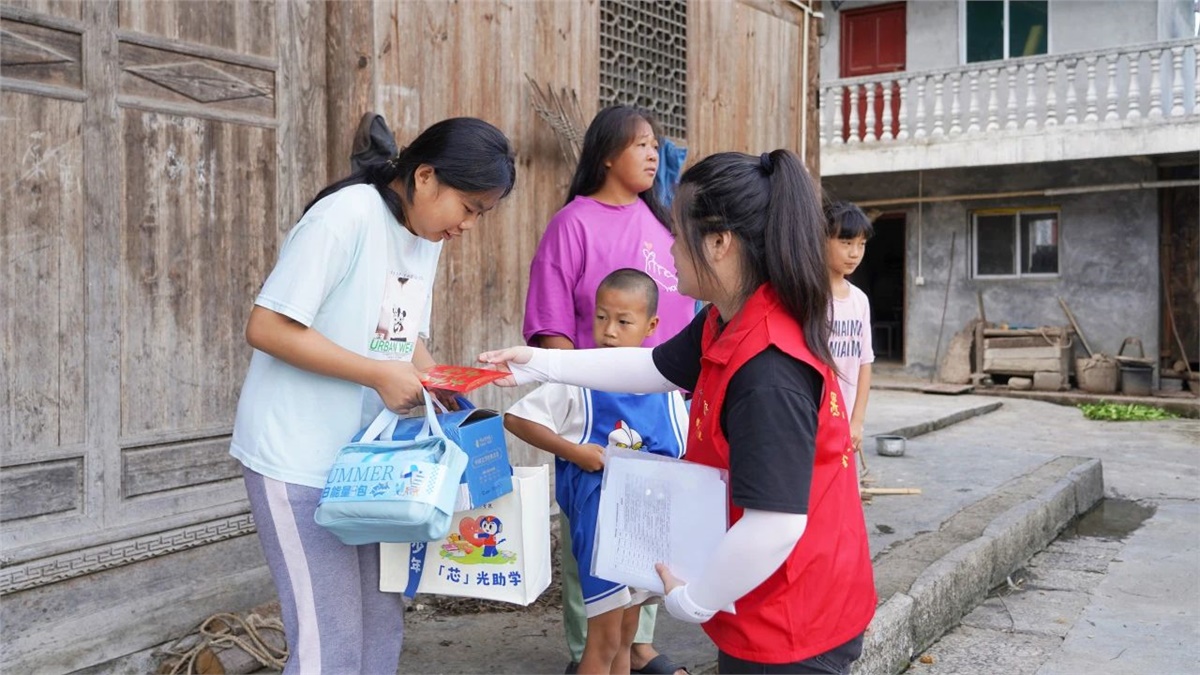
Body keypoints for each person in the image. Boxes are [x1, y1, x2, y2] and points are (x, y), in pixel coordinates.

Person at [482, 149, 876, 674]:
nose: (668, 246)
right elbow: (653, 366)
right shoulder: (728, 317)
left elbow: (776, 526)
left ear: (718, 243)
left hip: (794, 613)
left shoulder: (768, 370)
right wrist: (540, 365)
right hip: (763, 589)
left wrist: (694, 600)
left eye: (678, 231)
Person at [229, 114, 515, 674]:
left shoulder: (423, 236)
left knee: (381, 631)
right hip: (296, 456)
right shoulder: (345, 217)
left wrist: (440, 387)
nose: (468, 226)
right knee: (328, 647)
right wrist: (376, 375)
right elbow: (266, 327)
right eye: (468, 208)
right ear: (426, 177)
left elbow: (399, 336)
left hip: (369, 465)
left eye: (480, 214)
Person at [523, 105, 695, 675]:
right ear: (605, 154)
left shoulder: (662, 225)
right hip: (597, 409)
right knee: (596, 538)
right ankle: (589, 654)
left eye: (655, 146)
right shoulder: (572, 223)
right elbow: (551, 323)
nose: (653, 154)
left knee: (650, 533)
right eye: (640, 144)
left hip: (659, 403)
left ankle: (637, 646)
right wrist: (573, 394)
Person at [506, 269, 689, 675]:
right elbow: (517, 419)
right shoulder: (580, 378)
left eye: (624, 321)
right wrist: (575, 452)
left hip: (645, 529)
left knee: (625, 635)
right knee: (603, 641)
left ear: (651, 326)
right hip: (601, 530)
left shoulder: (667, 390)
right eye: (601, 317)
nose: (609, 331)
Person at [825, 201, 875, 455]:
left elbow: (865, 362)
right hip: (816, 419)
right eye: (846, 243)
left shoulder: (859, 300)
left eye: (861, 244)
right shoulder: (809, 299)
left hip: (846, 422)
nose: (855, 253)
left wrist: (857, 421)